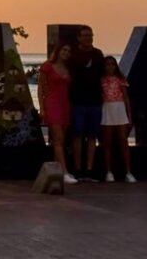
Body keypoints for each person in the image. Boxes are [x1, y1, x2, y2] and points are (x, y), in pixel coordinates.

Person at [68, 25, 105, 181]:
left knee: (92, 136)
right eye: (85, 35)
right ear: (78, 37)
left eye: (90, 35)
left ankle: (89, 169)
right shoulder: (73, 55)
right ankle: (77, 169)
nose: (88, 38)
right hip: (77, 102)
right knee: (77, 135)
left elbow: (104, 75)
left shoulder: (98, 54)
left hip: (95, 102)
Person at [38, 43, 76, 185]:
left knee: (59, 140)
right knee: (59, 139)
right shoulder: (47, 66)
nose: (66, 52)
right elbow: (41, 87)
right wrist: (42, 108)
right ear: (58, 51)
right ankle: (64, 172)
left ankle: (56, 170)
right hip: (52, 103)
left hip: (65, 104)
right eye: (64, 50)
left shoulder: (68, 68)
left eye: (68, 51)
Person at [100, 55, 136, 183]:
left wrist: (129, 115)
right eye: (107, 64)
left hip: (119, 109)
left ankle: (128, 172)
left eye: (112, 64)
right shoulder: (101, 80)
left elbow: (126, 98)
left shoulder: (120, 79)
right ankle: (109, 172)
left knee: (123, 141)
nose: (110, 67)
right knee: (107, 142)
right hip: (107, 109)